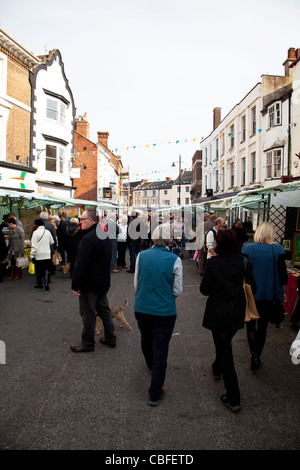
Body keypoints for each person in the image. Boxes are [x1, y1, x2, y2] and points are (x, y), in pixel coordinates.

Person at [200, 229, 256, 412]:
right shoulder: (244, 261)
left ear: (218, 243)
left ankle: (234, 397)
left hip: (218, 313)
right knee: (224, 344)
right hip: (236, 312)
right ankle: (217, 368)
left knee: (226, 353)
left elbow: (205, 290)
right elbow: (252, 287)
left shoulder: (214, 263)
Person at [134, 223, 183, 406]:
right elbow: (177, 290)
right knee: (161, 350)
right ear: (169, 239)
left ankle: (150, 364)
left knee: (146, 339)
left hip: (143, 306)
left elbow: (137, 284)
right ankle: (155, 392)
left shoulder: (141, 256)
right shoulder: (174, 259)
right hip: (164, 310)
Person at [241, 222, 288, 370]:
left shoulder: (247, 248)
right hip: (269, 294)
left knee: (250, 325)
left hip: (250, 293)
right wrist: (284, 293)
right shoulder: (277, 249)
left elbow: (242, 271)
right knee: (263, 327)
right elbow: (283, 275)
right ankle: (257, 356)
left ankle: (254, 354)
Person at [71, 209, 116, 352]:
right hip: (103, 281)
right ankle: (110, 337)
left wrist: (76, 284)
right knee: (104, 310)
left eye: (82, 219)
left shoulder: (88, 238)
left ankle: (88, 343)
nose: (80, 222)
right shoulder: (104, 234)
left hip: (90, 283)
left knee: (88, 313)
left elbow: (81, 265)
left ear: (90, 221)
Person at [30, 219, 54, 290]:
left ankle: (40, 284)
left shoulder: (35, 233)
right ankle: (46, 283)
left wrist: (32, 255)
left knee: (39, 270)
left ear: (36, 225)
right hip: (47, 253)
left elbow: (34, 246)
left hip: (39, 254)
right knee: (46, 269)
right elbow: (52, 242)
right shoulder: (47, 232)